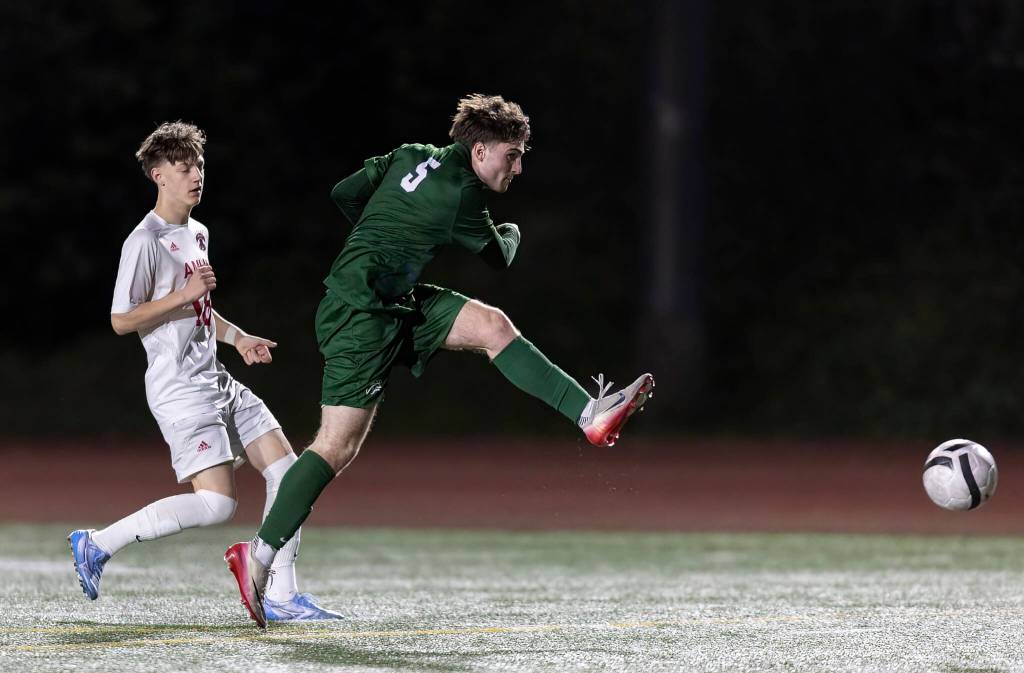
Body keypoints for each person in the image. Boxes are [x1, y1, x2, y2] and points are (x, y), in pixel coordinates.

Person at [224, 95, 655, 628]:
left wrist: (381, 240)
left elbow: (343, 193)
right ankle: (258, 558)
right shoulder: (461, 195)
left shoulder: (407, 155)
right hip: (360, 315)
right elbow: (501, 256)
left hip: (391, 300)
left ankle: (589, 416)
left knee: (493, 326)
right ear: (479, 150)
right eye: (512, 155)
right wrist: (512, 231)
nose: (518, 167)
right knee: (334, 446)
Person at [67, 121, 341, 621]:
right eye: (184, 166)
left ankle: (279, 593)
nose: (196, 174)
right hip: (179, 389)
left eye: (199, 165)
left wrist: (239, 338)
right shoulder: (143, 241)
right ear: (157, 175)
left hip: (217, 379)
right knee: (216, 507)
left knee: (290, 472)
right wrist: (183, 295)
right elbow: (122, 319)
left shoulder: (197, 232)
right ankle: (97, 543)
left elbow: (199, 312)